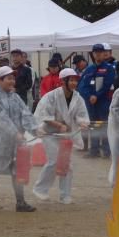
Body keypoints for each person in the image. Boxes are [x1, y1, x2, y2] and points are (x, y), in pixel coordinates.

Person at [0, 66, 41, 213]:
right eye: (9, 78)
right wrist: (15, 133)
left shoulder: (15, 96)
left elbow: (25, 112)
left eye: (13, 78)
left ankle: (20, 202)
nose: (12, 81)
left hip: (15, 143)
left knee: (16, 171)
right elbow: (1, 118)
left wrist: (34, 128)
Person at [32, 68, 89, 204]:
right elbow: (44, 116)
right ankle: (40, 189)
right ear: (63, 81)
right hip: (49, 133)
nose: (74, 83)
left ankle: (65, 195)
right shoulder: (51, 96)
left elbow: (82, 115)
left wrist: (82, 123)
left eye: (76, 80)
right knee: (53, 161)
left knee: (67, 164)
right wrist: (59, 125)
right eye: (71, 80)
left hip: (66, 135)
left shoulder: (78, 97)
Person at [78, 43, 117, 158]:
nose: (98, 54)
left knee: (104, 125)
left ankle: (106, 151)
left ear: (104, 53)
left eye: (100, 52)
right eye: (96, 52)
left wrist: (96, 96)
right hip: (91, 103)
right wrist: (89, 96)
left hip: (103, 102)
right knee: (93, 126)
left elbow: (107, 84)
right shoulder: (89, 69)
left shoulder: (109, 68)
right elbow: (81, 85)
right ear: (93, 54)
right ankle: (94, 150)